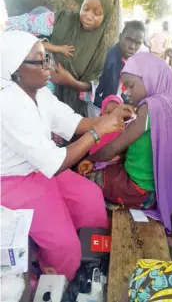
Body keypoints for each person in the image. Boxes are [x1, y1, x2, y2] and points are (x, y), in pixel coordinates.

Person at [1, 30, 132, 280]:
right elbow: (56, 162)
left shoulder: (40, 93)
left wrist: (110, 118)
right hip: (15, 181)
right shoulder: (8, 105)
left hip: (42, 168)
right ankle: (52, 278)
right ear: (17, 69)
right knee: (65, 247)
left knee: (91, 198)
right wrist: (97, 133)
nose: (49, 65)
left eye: (47, 58)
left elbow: (74, 122)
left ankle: (90, 260)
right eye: (40, 61)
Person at [80, 52, 172, 231]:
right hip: (155, 189)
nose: (128, 94)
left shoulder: (150, 107)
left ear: (150, 77)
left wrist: (88, 158)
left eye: (131, 86)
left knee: (85, 179)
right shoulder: (170, 103)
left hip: (137, 189)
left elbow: (115, 147)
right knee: (109, 169)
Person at [5, 0, 116, 116]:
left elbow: (93, 84)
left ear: (106, 15)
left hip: (68, 103)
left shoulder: (101, 51)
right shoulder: (62, 21)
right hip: (40, 84)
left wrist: (70, 81)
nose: (88, 16)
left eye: (97, 13)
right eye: (85, 9)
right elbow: (24, 23)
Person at [94, 21, 145, 108]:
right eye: (129, 39)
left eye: (138, 43)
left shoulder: (127, 60)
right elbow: (91, 92)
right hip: (99, 111)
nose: (132, 47)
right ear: (120, 36)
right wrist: (109, 107)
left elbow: (118, 91)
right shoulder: (108, 60)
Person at [78, 95, 124, 175]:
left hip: (110, 169)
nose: (111, 117)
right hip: (92, 162)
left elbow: (121, 152)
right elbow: (88, 143)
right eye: (108, 113)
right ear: (102, 111)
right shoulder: (97, 127)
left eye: (115, 113)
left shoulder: (122, 131)